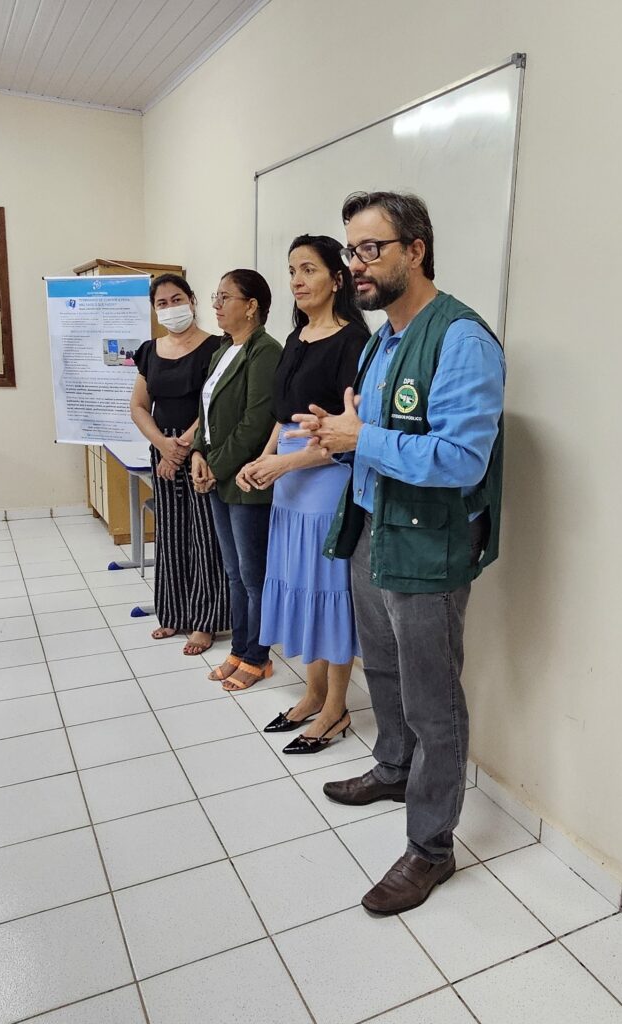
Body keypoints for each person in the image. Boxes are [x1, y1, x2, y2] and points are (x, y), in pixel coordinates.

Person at [291, 191, 505, 915]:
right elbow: (376, 435)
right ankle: (390, 766)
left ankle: (430, 848)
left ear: (416, 250)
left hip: (425, 546)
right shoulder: (383, 338)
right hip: (372, 529)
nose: (356, 265)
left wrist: (361, 440)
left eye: (370, 249)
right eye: (351, 250)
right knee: (379, 665)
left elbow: (460, 457)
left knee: (432, 700)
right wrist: (340, 430)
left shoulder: (462, 339)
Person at [236, 235, 368, 753]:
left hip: (325, 477)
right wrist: (263, 461)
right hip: (289, 480)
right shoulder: (297, 338)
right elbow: (281, 414)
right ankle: (312, 694)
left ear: (337, 279)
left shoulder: (354, 342)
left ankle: (336, 708)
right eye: (292, 269)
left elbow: (344, 433)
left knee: (327, 592)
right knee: (298, 585)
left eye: (308, 269)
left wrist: (281, 462)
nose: (296, 280)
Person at [190, 270, 282, 691]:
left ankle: (258, 656)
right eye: (216, 296)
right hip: (220, 476)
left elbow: (256, 422)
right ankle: (239, 647)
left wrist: (216, 465)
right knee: (232, 571)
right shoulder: (223, 349)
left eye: (225, 297)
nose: (216, 305)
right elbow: (207, 413)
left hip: (246, 480)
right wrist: (197, 454)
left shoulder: (265, 352)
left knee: (253, 573)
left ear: (252, 306)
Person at [130, 273, 230, 656]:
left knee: (204, 533)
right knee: (170, 531)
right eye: (162, 304)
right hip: (163, 448)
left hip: (202, 447)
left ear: (192, 299)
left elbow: (216, 404)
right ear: (155, 310)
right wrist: (162, 445)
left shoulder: (217, 347)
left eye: (177, 299)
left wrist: (183, 447)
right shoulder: (149, 350)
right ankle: (172, 612)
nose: (171, 308)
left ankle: (205, 622)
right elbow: (138, 406)